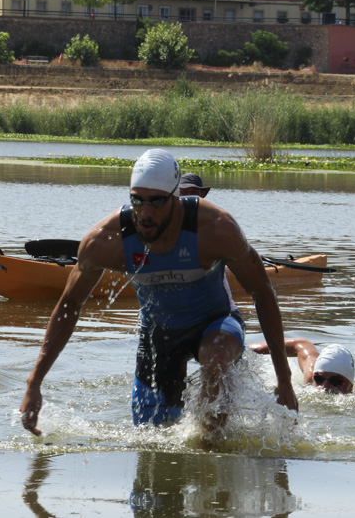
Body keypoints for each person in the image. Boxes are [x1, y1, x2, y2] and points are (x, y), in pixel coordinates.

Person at [20, 149, 297, 435]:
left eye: (157, 201)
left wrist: (284, 380)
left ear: (176, 199)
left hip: (217, 327)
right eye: (137, 200)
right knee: (151, 440)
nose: (145, 213)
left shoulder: (216, 229)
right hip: (159, 337)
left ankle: (211, 440)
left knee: (213, 370)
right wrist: (34, 383)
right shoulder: (105, 241)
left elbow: (263, 293)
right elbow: (69, 305)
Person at [249, 339, 354, 394]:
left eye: (335, 381)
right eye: (319, 379)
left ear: (350, 385)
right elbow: (300, 344)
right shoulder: (310, 374)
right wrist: (248, 350)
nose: (324, 387)